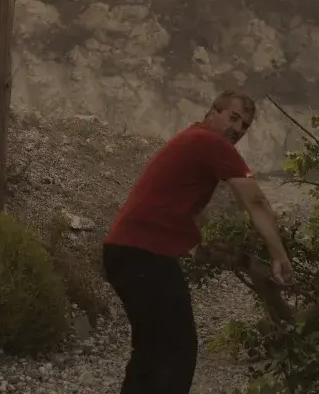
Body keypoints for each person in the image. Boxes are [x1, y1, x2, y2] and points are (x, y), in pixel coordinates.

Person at [102, 90, 292, 394]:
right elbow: (255, 200)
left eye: (245, 126)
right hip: (144, 254)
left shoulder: (192, 141)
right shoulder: (211, 142)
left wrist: (203, 248)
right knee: (177, 351)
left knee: (153, 351)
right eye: (233, 117)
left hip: (124, 251)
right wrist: (279, 255)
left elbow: (179, 209)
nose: (237, 129)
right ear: (213, 111)